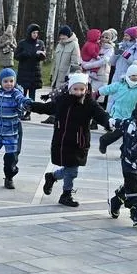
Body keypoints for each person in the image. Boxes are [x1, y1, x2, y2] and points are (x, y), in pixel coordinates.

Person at [32, 73, 110, 207]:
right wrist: (30, 105)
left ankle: (53, 177)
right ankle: (66, 194)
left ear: (86, 89)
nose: (78, 92)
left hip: (79, 142)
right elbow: (46, 108)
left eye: (82, 89)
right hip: (62, 141)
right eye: (75, 89)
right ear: (69, 89)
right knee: (72, 170)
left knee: (71, 169)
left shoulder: (89, 103)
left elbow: (100, 115)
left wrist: (109, 122)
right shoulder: (62, 101)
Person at [97, 63, 137, 154]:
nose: (135, 77)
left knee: (131, 134)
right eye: (133, 75)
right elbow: (108, 89)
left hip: (132, 115)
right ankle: (104, 140)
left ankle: (124, 151)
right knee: (119, 132)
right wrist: (98, 93)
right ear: (128, 75)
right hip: (118, 114)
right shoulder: (120, 85)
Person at [14, 24, 46, 117]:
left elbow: (43, 56)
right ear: (29, 33)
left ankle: (29, 112)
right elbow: (17, 56)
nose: (35, 35)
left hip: (34, 72)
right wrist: (27, 54)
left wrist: (41, 55)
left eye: (37, 33)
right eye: (33, 32)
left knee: (32, 94)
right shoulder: (22, 43)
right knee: (22, 93)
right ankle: (20, 110)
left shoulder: (40, 43)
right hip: (24, 71)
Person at [49, 25, 81, 93]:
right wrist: (52, 73)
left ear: (68, 35)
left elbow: (75, 63)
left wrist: (68, 76)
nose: (62, 37)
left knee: (62, 101)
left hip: (65, 79)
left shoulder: (74, 45)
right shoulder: (59, 45)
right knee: (54, 100)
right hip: (55, 79)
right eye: (61, 35)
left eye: (64, 35)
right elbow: (55, 61)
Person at [80, 28, 107, 96]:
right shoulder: (90, 44)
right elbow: (92, 52)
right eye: (100, 37)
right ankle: (93, 72)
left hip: (100, 74)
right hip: (88, 60)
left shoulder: (94, 43)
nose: (101, 38)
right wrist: (97, 57)